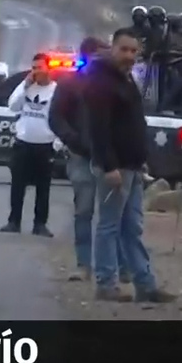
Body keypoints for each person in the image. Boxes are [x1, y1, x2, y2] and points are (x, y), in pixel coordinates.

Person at [87, 28, 177, 303]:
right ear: (112, 48)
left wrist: (141, 161)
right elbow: (98, 129)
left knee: (132, 228)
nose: (129, 55)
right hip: (115, 169)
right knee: (109, 226)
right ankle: (105, 283)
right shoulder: (101, 82)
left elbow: (133, 123)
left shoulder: (127, 81)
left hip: (133, 168)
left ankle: (145, 285)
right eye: (124, 49)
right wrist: (109, 166)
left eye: (133, 51)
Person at [48, 37, 129, 282]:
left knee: (115, 212)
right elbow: (56, 118)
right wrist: (74, 140)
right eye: (100, 54)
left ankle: (119, 265)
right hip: (82, 155)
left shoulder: (117, 83)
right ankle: (84, 264)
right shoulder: (70, 84)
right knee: (84, 210)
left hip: (111, 157)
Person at [0, 54, 57, 236]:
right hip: (23, 143)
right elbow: (13, 106)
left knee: (43, 188)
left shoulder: (56, 91)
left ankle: (40, 224)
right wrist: (25, 85)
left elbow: (62, 117)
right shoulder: (26, 88)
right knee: (17, 185)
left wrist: (57, 143)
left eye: (39, 67)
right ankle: (13, 221)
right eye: (33, 68)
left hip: (45, 145)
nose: (36, 71)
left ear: (48, 68)